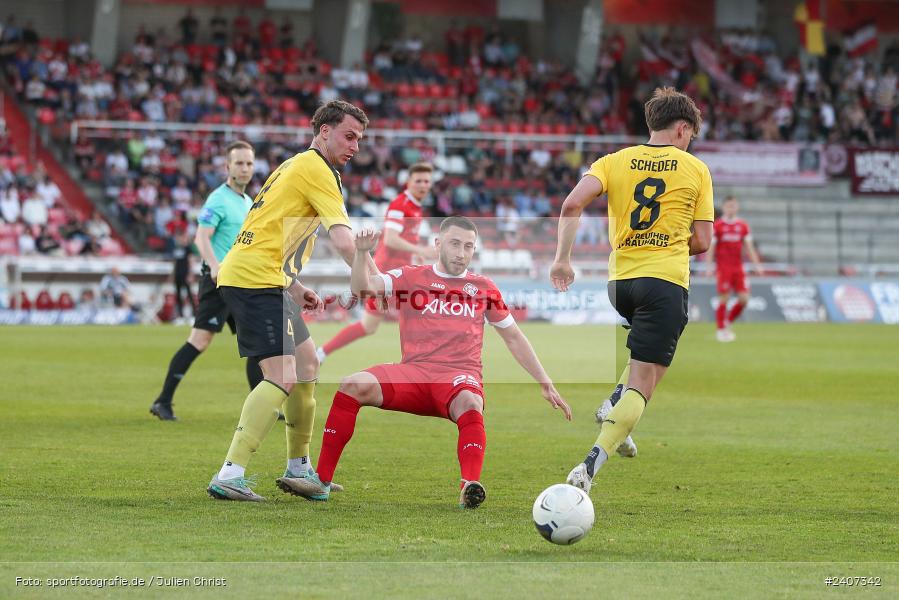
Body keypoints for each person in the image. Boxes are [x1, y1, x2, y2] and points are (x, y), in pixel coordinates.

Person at [285, 217, 571, 508]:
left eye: (469, 246)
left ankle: (469, 485)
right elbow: (364, 289)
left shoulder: (483, 287)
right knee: (352, 385)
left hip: (459, 378)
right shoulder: (411, 276)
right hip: (414, 374)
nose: (461, 252)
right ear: (438, 244)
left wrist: (545, 382)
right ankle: (321, 482)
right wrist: (361, 254)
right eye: (455, 243)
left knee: (471, 402)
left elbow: (514, 337)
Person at [206, 100, 373, 502]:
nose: (355, 147)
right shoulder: (318, 170)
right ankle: (230, 473)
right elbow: (343, 240)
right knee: (282, 375)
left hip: (268, 277)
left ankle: (299, 469)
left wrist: (294, 286)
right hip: (254, 280)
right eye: (349, 136)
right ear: (325, 131)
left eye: (360, 140)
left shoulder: (295, 165)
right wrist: (375, 275)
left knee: (308, 362)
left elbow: (267, 229)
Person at [550, 87, 713, 494]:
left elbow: (572, 205)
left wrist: (562, 259)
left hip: (620, 284)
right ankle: (590, 465)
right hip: (664, 282)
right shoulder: (695, 169)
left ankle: (615, 401)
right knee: (647, 380)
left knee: (642, 360)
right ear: (681, 129)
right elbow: (704, 241)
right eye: (690, 134)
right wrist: (671, 244)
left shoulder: (613, 161)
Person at [150, 141, 259, 421]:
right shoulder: (218, 199)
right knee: (200, 340)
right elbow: (202, 237)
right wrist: (214, 266)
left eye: (249, 163)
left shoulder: (247, 202)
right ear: (227, 167)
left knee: (257, 344)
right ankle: (163, 401)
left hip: (240, 281)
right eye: (239, 163)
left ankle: (261, 408)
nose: (245, 168)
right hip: (219, 282)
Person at [316, 163, 437, 363]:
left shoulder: (415, 206)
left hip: (400, 274)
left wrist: (416, 256)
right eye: (419, 181)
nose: (423, 185)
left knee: (414, 314)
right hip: (386, 275)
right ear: (408, 182)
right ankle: (320, 353)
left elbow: (405, 239)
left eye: (426, 181)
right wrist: (421, 250)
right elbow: (390, 239)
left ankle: (416, 363)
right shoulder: (401, 205)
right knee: (371, 325)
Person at [706, 195, 763, 342]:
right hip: (723, 268)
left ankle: (727, 322)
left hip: (738, 268)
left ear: (737, 207)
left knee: (744, 299)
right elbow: (711, 248)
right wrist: (708, 267)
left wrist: (757, 265)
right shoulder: (718, 226)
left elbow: (749, 248)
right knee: (724, 298)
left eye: (733, 206)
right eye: (728, 206)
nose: (731, 208)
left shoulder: (743, 226)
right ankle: (720, 330)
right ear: (724, 207)